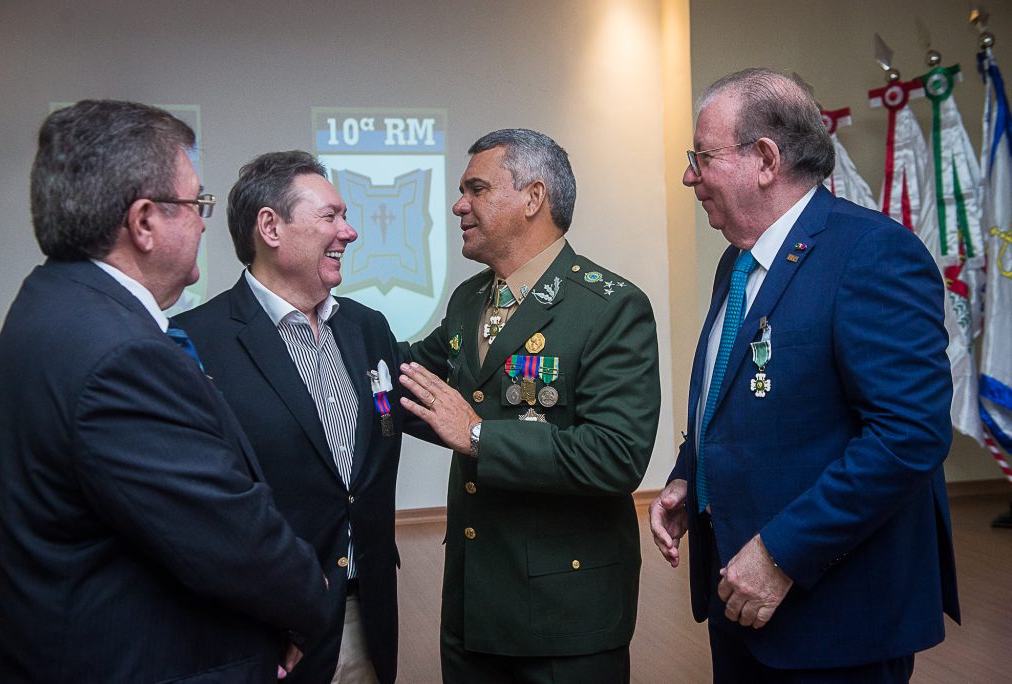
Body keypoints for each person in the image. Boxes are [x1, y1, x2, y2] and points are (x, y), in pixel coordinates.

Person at [0, 100, 332, 683]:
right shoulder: (121, 355)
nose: (204, 221)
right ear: (144, 222)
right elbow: (227, 535)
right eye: (196, 203)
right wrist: (308, 604)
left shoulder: (50, 302)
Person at [649, 68, 960, 683]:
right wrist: (693, 476)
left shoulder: (871, 253)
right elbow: (739, 396)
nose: (689, 175)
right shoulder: (737, 263)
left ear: (764, 158)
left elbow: (910, 436)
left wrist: (780, 553)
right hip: (740, 598)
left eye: (701, 156)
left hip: (835, 618)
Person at [398, 128, 660, 683]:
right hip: (474, 605)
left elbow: (616, 456)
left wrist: (479, 438)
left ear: (532, 198)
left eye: (476, 188)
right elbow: (415, 382)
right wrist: (330, 331)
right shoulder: (471, 299)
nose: (457, 204)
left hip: (565, 617)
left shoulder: (610, 307)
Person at [174, 151, 411, 684]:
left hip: (366, 613)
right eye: (330, 216)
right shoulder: (195, 341)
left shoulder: (368, 328)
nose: (349, 232)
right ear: (270, 227)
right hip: (264, 629)